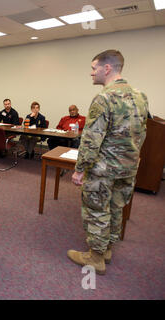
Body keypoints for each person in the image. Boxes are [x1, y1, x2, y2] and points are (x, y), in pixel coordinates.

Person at [68, 50, 149, 275]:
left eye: (94, 68)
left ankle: (95, 257)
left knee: (97, 210)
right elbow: (142, 132)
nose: (91, 73)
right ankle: (107, 249)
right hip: (129, 167)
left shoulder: (103, 98)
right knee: (116, 208)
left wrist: (80, 169)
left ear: (107, 68)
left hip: (103, 169)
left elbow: (92, 138)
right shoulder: (140, 96)